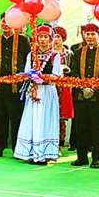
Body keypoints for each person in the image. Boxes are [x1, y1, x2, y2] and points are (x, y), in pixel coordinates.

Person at [14, 25, 62, 165]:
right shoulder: (31, 55)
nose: (43, 40)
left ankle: (43, 154)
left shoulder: (55, 56)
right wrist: (32, 77)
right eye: (40, 37)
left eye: (46, 37)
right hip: (33, 90)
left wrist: (42, 78)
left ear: (50, 39)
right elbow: (26, 72)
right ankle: (29, 152)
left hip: (47, 92)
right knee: (32, 118)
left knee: (45, 119)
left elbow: (57, 75)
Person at [67, 23, 99, 168]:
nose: (90, 37)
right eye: (87, 34)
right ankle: (82, 157)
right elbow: (74, 73)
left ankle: (96, 158)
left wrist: (93, 89)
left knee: (97, 128)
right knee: (81, 127)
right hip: (80, 96)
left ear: (98, 35)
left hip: (97, 97)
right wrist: (83, 89)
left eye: (93, 34)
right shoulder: (77, 52)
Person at [0, 19, 29, 158]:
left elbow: (27, 60)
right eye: (3, 22)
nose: (5, 25)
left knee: (17, 119)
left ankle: (18, 149)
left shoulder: (23, 40)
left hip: (17, 88)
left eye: (8, 22)